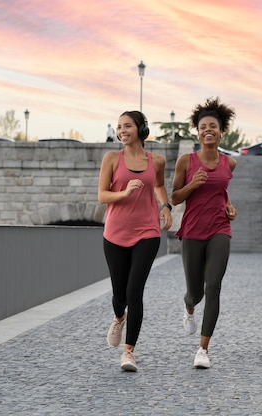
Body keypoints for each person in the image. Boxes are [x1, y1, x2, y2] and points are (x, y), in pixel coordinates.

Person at [98, 110, 173, 372]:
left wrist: (165, 205)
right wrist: (125, 192)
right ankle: (119, 317)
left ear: (141, 128)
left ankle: (129, 352)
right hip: (115, 234)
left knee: (134, 291)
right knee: (120, 295)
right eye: (119, 127)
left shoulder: (158, 161)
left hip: (147, 232)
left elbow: (160, 185)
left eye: (127, 125)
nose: (121, 131)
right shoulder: (111, 158)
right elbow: (102, 196)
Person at [171, 97, 238, 369]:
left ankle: (203, 349)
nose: (207, 130)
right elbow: (175, 197)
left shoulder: (229, 163)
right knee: (195, 293)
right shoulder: (186, 161)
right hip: (192, 230)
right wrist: (192, 186)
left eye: (213, 126)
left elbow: (222, 191)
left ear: (222, 132)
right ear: (197, 132)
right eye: (203, 127)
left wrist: (230, 206)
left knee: (214, 287)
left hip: (219, 229)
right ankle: (188, 308)